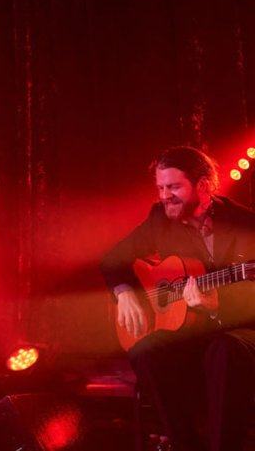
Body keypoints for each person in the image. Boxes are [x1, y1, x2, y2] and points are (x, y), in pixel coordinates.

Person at [100, 146, 255, 451]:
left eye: (173, 187)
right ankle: (185, 444)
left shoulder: (245, 223)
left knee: (224, 349)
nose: (164, 195)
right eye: (160, 187)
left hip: (243, 329)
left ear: (203, 185)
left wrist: (216, 307)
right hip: (192, 331)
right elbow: (112, 260)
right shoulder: (160, 218)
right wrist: (125, 293)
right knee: (147, 349)